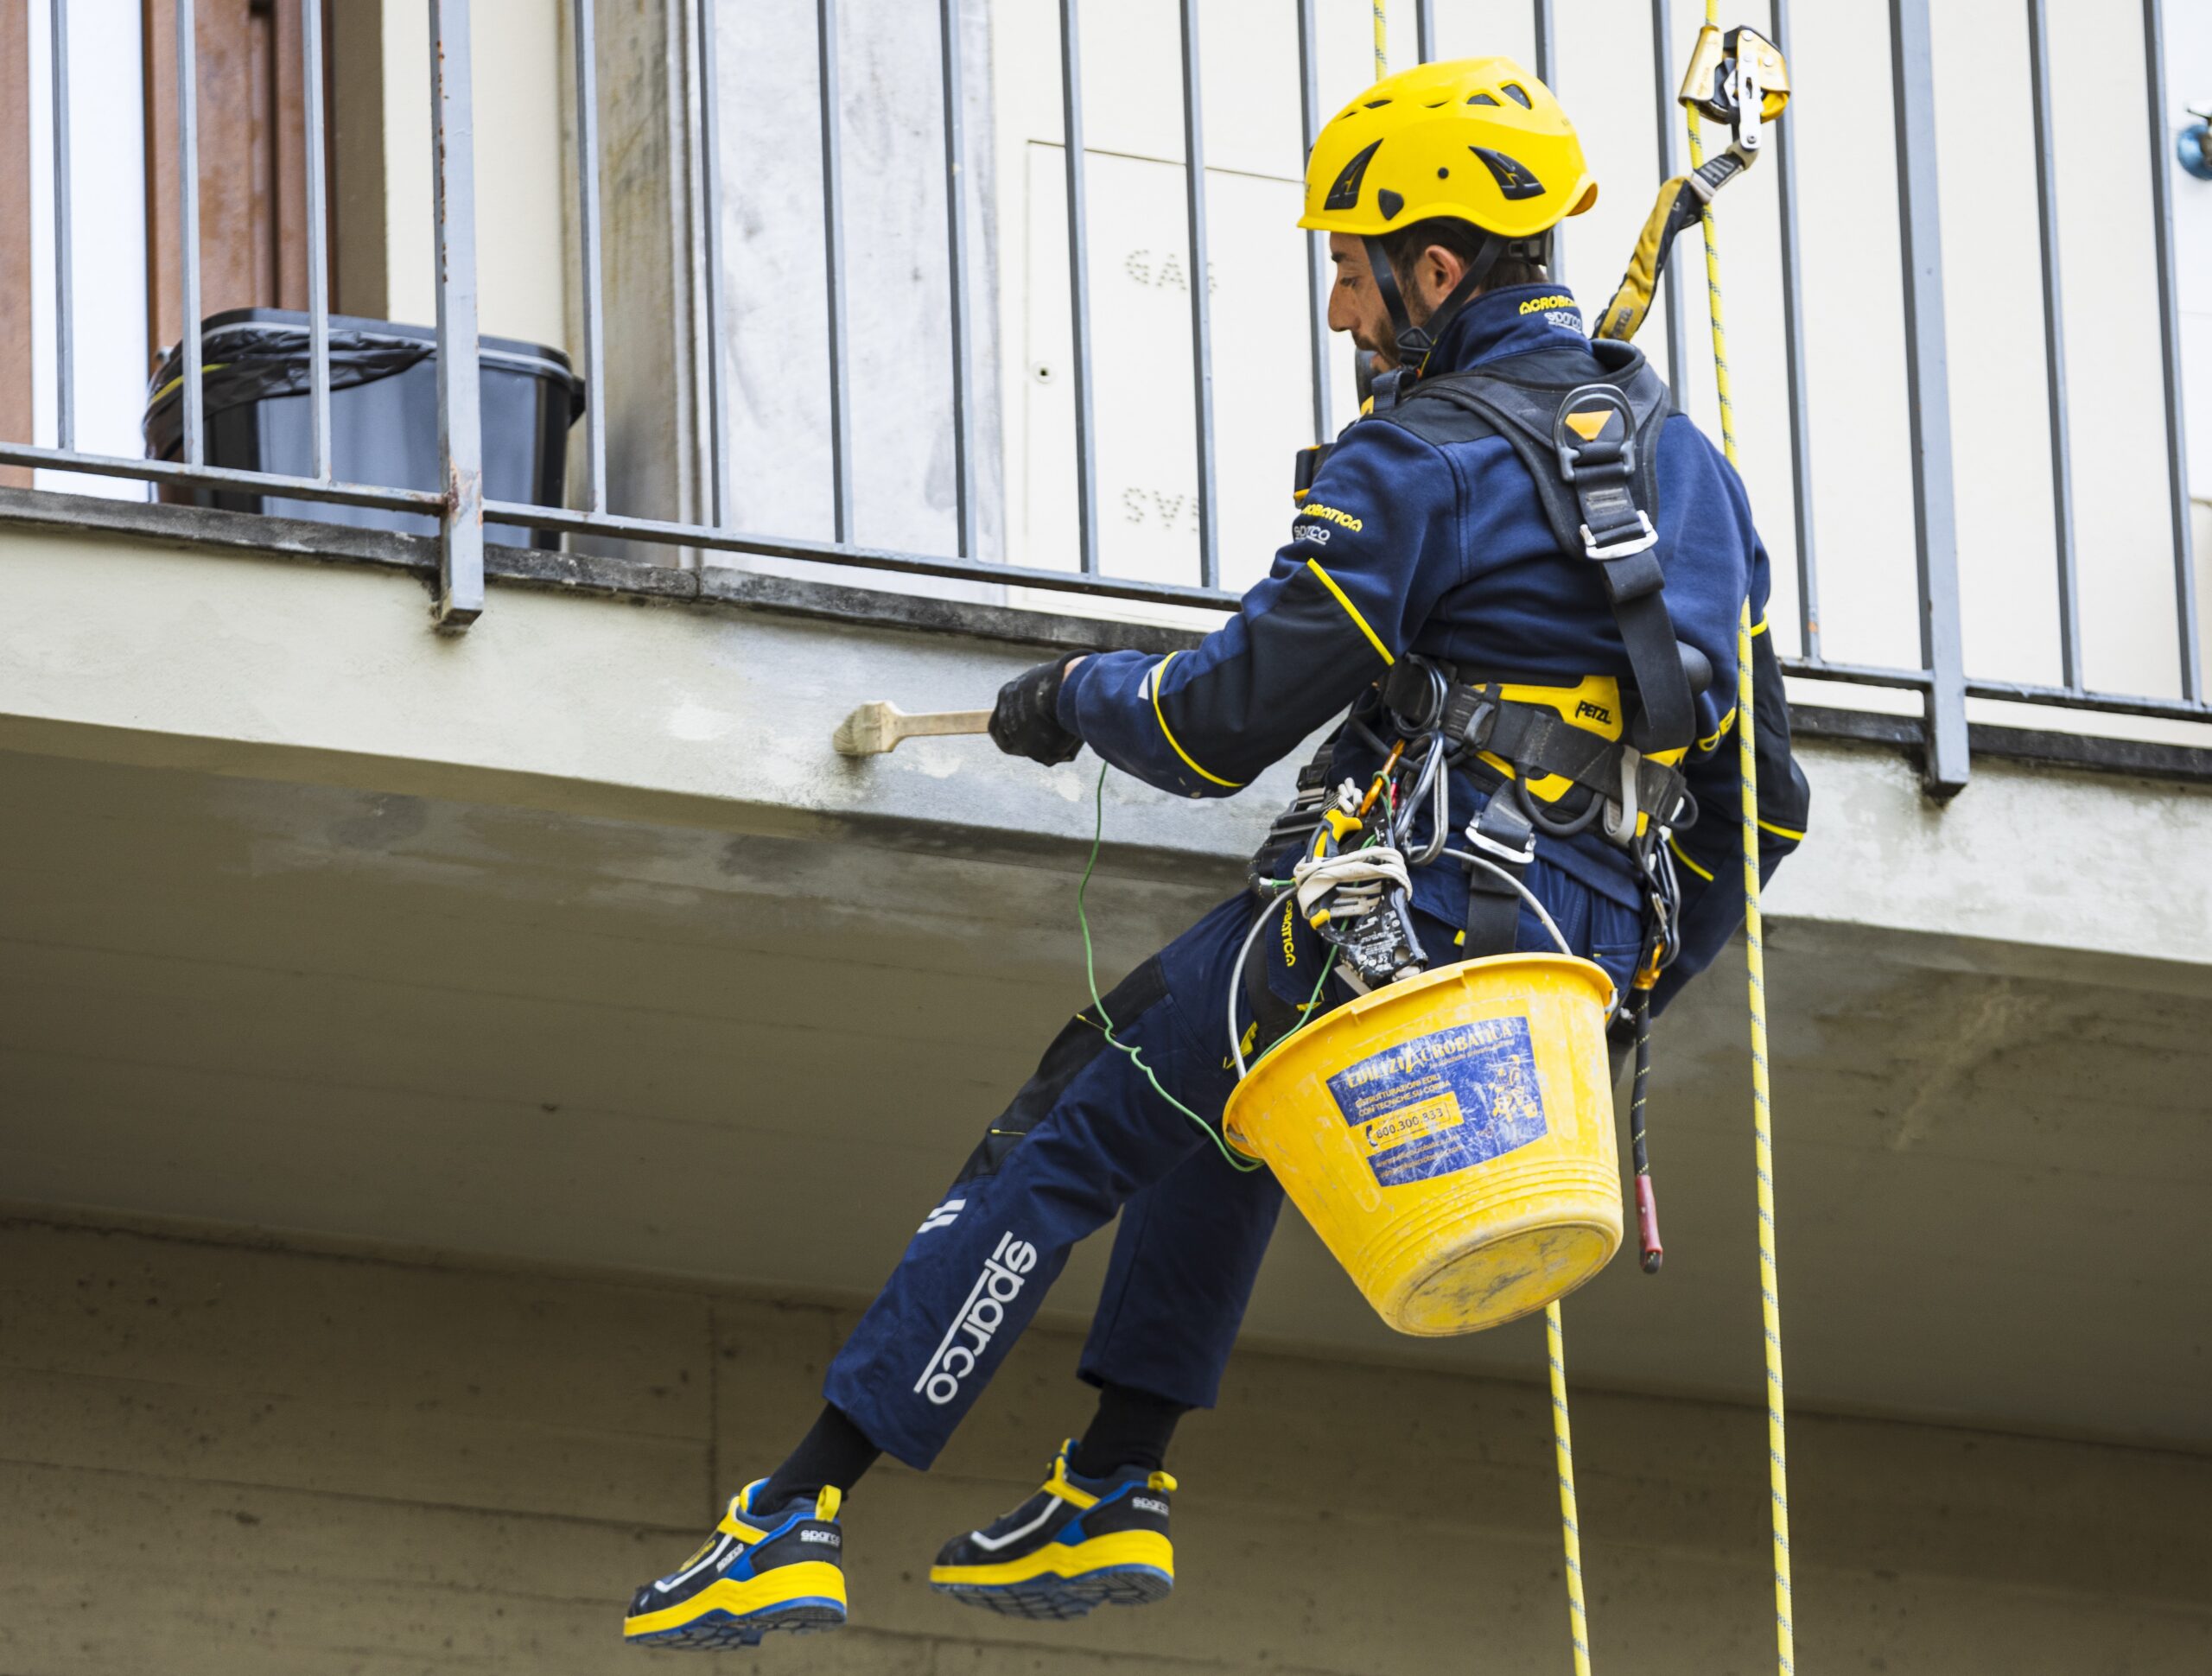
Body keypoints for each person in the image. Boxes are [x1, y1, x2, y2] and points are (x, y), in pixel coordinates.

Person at [620, 55, 1809, 1651]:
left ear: (1436, 270)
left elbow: (1211, 728)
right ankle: (1114, 1482)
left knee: (1061, 1131)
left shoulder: (1423, 457)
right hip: (1566, 947)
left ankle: (795, 1514)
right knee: (1233, 1116)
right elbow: (1767, 803)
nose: (1340, 310)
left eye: (1349, 267)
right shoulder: (1692, 473)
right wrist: (1613, 1002)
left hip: (1410, 899)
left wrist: (1065, 702)